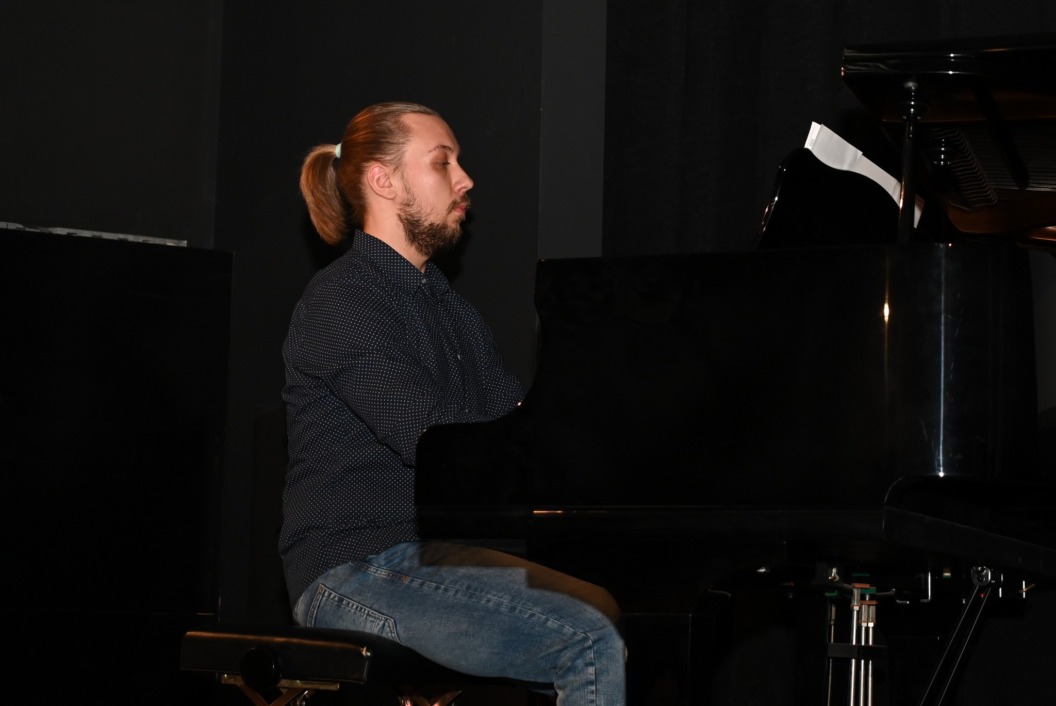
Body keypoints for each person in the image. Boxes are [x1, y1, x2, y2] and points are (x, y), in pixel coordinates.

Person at [280, 101, 626, 705]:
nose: (465, 180)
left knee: (605, 607)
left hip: (430, 557)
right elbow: (432, 442)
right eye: (443, 162)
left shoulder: (449, 307)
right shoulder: (341, 301)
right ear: (383, 181)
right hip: (351, 568)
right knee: (584, 636)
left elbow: (508, 428)